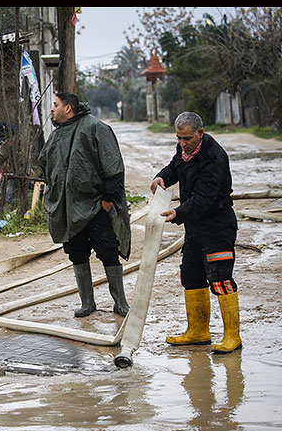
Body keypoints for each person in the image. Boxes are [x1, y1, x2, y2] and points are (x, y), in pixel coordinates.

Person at [150, 111, 241, 354]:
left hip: (217, 227)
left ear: (200, 134)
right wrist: (161, 177)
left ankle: (232, 337)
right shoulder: (185, 150)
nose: (182, 144)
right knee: (191, 277)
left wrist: (177, 213)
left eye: (186, 139)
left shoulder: (214, 157)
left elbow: (203, 200)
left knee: (220, 278)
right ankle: (198, 332)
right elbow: (174, 168)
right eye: (178, 138)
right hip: (195, 229)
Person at [38, 92, 131, 317]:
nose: (52, 109)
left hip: (96, 206)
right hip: (68, 208)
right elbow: (46, 165)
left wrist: (107, 201)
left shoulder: (95, 127)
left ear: (68, 108)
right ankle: (87, 303)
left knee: (108, 251)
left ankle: (120, 304)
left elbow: (114, 168)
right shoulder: (57, 134)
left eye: (56, 105)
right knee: (76, 253)